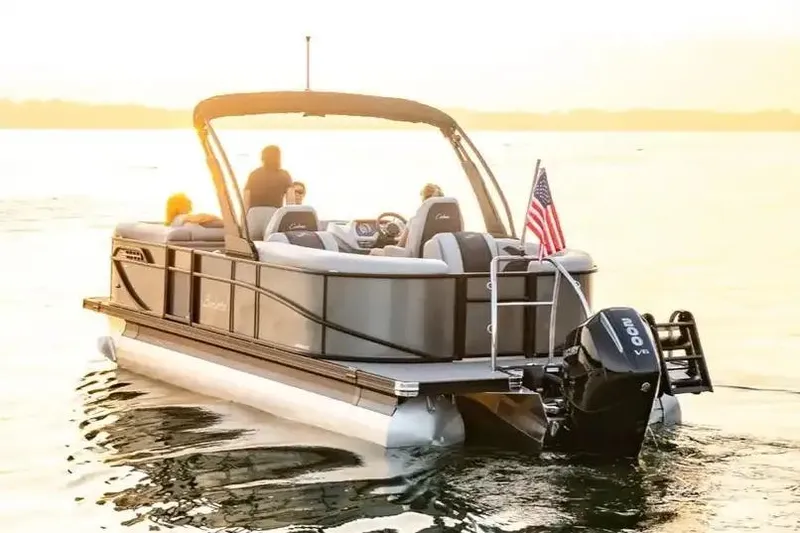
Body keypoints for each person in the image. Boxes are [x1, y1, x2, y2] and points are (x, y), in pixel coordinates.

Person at [243, 145, 295, 209]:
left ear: (262, 157)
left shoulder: (253, 175)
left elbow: (246, 200)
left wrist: (243, 217)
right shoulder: (284, 175)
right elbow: (291, 202)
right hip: (275, 215)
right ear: (278, 158)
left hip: (254, 215)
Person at [395, 183, 443, 247]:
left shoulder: (414, 220)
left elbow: (400, 245)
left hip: (417, 256)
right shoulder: (449, 221)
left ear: (424, 199)